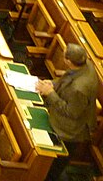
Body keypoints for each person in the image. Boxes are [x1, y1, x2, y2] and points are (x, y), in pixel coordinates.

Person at [36, 43, 99, 181]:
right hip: (66, 117)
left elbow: (71, 112)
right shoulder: (84, 64)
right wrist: (52, 84)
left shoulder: (80, 88)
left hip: (70, 130)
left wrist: (50, 93)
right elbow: (67, 78)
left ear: (68, 61)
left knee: (53, 167)